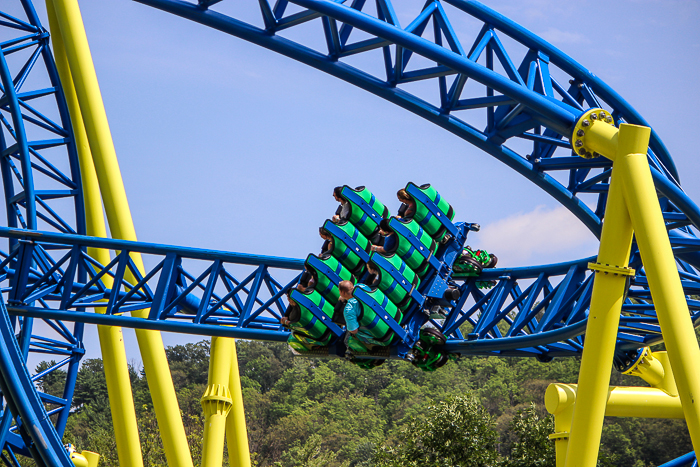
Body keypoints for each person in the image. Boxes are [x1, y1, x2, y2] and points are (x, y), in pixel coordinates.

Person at [339, 280, 385, 349]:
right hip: (384, 315)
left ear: (343, 292)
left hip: (377, 332)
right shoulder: (361, 286)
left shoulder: (349, 309)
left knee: (346, 340)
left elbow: (354, 330)